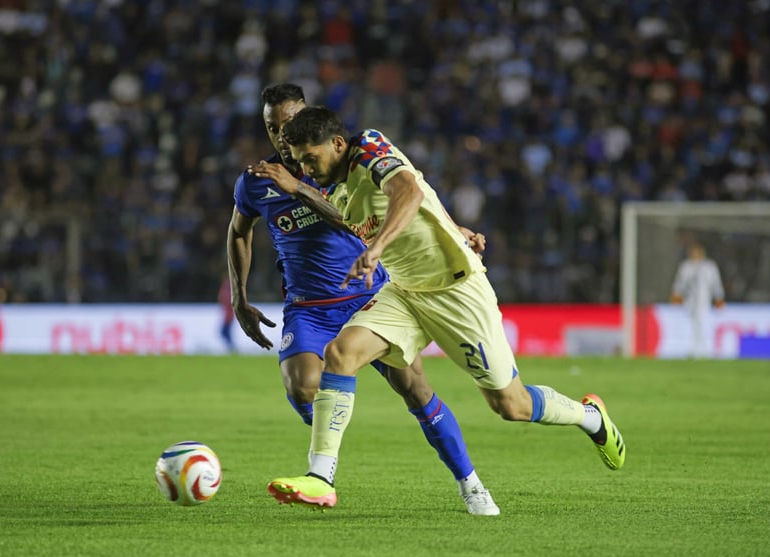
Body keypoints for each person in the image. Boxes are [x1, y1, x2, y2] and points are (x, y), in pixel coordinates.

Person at [252, 106, 626, 511]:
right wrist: (453, 227)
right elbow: (426, 198)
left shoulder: (369, 149)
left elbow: (410, 190)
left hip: (455, 290)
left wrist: (376, 249)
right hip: (406, 292)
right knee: (340, 354)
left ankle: (590, 417)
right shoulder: (331, 185)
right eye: (300, 161)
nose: (306, 167)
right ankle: (320, 477)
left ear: (337, 144)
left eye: (311, 158)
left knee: (510, 405)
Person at [227, 84, 499, 515]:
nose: (281, 134)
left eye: (289, 123)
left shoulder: (332, 167)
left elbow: (354, 218)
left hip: (367, 296)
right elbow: (238, 231)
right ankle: (324, 465)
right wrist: (239, 299)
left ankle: (471, 484)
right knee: (301, 386)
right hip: (307, 308)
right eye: (272, 127)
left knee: (417, 392)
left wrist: (297, 188)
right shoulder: (256, 183)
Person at [670, 242, 726, 357]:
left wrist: (719, 297)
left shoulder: (709, 267)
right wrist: (676, 295)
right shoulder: (686, 266)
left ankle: (705, 349)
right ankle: (692, 349)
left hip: (705, 301)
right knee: (691, 324)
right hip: (689, 301)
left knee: (703, 323)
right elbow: (680, 283)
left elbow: (716, 284)